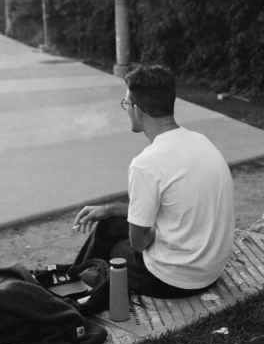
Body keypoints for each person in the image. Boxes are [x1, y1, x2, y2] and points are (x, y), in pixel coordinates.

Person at [72, 64, 235, 301]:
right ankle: (74, 277)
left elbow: (139, 243)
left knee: (116, 250)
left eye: (126, 105)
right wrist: (109, 210)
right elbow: (169, 209)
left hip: (173, 280)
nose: (126, 110)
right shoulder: (201, 142)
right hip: (211, 269)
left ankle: (75, 284)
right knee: (109, 224)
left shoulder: (146, 164)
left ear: (138, 110)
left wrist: (150, 234)